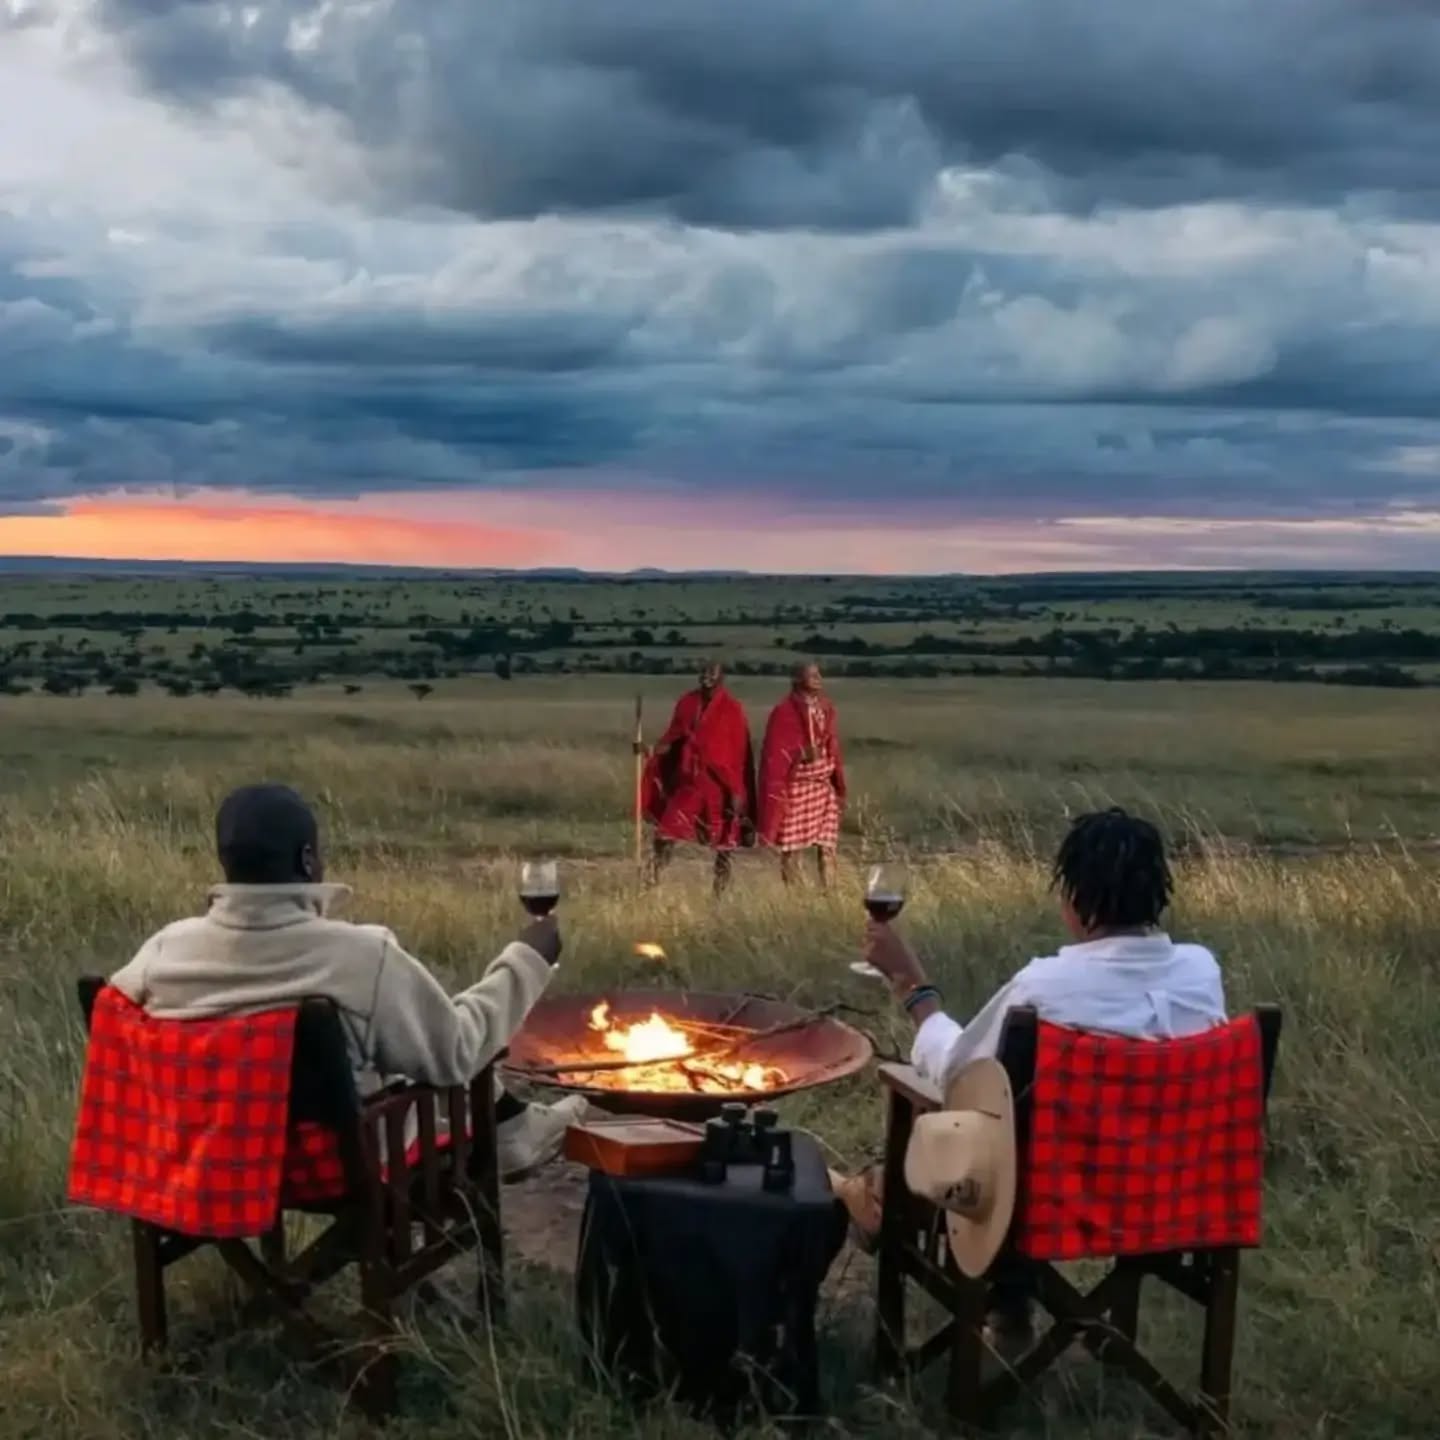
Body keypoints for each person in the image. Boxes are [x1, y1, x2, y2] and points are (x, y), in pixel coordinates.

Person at [831, 808, 1226, 1352]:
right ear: (1159, 893)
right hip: (1170, 1195)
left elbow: (958, 1074)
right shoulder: (1202, 972)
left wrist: (914, 988)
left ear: (1075, 902)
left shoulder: (1047, 986)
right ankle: (1021, 1308)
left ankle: (878, 1204)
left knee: (965, 1136)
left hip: (1046, 1201)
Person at [107, 783, 587, 1180]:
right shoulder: (357, 956)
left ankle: (516, 1127)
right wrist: (528, 959)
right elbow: (456, 1052)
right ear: (308, 859)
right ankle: (514, 1136)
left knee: (384, 1036)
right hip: (335, 1171)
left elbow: (113, 1017)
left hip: (210, 1166)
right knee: (413, 1040)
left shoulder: (162, 951)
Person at [644, 661, 756, 895]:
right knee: (666, 832)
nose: (706, 677)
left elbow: (738, 754)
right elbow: (673, 738)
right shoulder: (687, 703)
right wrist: (651, 750)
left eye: (712, 673)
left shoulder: (733, 709)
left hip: (720, 786)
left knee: (725, 844)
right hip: (690, 782)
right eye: (703, 672)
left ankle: (720, 895)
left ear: (722, 678)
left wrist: (737, 791)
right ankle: (651, 881)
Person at [757, 662, 847, 886]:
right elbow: (775, 752)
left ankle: (829, 895)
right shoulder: (784, 711)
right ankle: (796, 898)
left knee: (827, 846)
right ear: (797, 680)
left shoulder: (826, 707)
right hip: (797, 786)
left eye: (819, 674)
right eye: (812, 675)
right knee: (792, 848)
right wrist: (800, 753)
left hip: (823, 785)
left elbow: (831, 744)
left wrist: (838, 784)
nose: (819, 679)